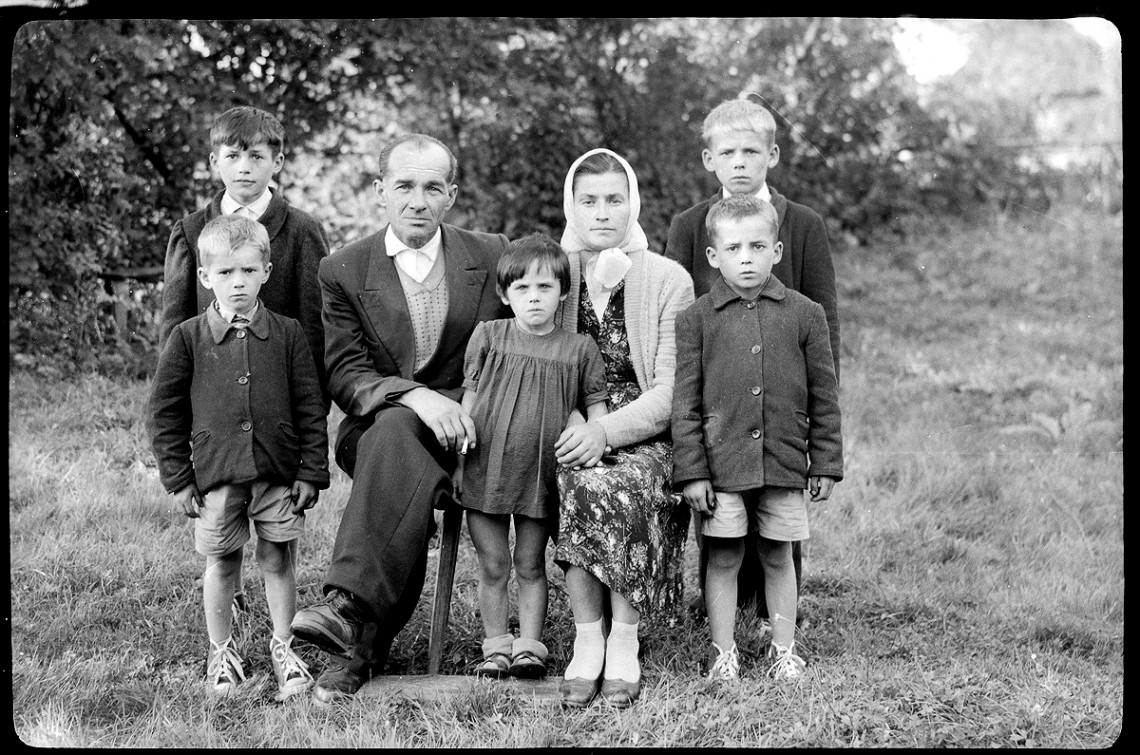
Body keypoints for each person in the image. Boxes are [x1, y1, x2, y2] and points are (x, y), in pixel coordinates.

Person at [289, 133, 511, 703]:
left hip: (469, 429)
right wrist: (416, 398)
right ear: (379, 191)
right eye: (404, 186)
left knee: (400, 463)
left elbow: (517, 344)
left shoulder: (491, 255)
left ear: (451, 195)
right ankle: (353, 617)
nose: (418, 200)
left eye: (432, 188)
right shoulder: (343, 268)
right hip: (375, 426)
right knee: (394, 435)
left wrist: (456, 402)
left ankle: (353, 630)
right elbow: (345, 373)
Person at [664, 96, 841, 621]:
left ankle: (774, 613)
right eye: (728, 152)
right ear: (709, 160)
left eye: (750, 151)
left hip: (784, 400)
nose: (739, 163)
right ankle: (719, 611)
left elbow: (824, 318)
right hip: (719, 399)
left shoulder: (802, 223)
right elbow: (678, 311)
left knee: (779, 524)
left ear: (773, 155)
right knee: (721, 520)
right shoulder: (689, 225)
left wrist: (821, 419)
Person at [147, 214, 330, 700]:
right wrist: (179, 477)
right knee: (222, 561)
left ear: (266, 272)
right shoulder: (188, 338)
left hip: (278, 472)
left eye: (248, 270)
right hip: (217, 475)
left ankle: (285, 646)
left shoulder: (289, 333)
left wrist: (312, 470)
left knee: (277, 557)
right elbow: (164, 413)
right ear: (205, 277)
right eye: (225, 272)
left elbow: (310, 405)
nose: (238, 282)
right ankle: (221, 652)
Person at [671, 195, 843, 680]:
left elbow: (824, 395)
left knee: (778, 553)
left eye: (757, 246)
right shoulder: (696, 319)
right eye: (733, 248)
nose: (746, 258)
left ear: (777, 251)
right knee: (723, 555)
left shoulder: (806, 314)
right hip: (721, 463)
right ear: (713, 256)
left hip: (783, 460)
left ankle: (783, 650)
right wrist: (693, 471)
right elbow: (684, 403)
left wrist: (825, 462)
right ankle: (723, 652)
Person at [552, 148, 695, 708]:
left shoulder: (667, 279)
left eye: (615, 199)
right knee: (575, 476)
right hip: (569, 421)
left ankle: (624, 639)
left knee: (617, 483)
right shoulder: (553, 271)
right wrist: (576, 424)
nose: (602, 212)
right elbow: (540, 364)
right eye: (589, 201)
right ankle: (588, 638)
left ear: (632, 203)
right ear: (572, 206)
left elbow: (669, 391)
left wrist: (605, 433)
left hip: (646, 434)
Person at [455, 233, 609, 680]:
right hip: (486, 469)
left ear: (563, 292)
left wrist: (591, 437)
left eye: (545, 287)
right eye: (522, 288)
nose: (534, 297)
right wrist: (458, 463)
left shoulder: (579, 348)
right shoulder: (489, 335)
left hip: (541, 475)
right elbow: (469, 403)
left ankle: (529, 647)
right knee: (493, 565)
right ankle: (496, 646)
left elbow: (598, 413)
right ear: (505, 295)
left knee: (529, 563)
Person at [159, 105, 331, 399]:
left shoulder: (303, 230)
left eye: (256, 156)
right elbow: (174, 328)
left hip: (279, 395)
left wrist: (313, 404)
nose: (244, 167)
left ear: (277, 162)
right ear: (215, 161)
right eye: (233, 156)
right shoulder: (190, 231)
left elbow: (315, 329)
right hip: (212, 395)